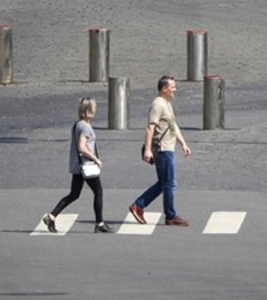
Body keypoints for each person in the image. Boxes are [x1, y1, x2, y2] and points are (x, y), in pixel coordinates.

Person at [43, 97, 114, 233]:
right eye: (94, 108)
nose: (95, 110)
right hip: (86, 166)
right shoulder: (85, 127)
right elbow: (82, 147)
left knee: (74, 194)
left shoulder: (77, 124)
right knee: (98, 192)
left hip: (77, 166)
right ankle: (99, 224)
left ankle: (51, 216)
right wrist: (96, 159)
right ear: (89, 110)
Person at [129, 75, 191, 226]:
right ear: (164, 89)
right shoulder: (158, 105)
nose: (175, 89)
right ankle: (170, 216)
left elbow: (172, 125)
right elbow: (150, 127)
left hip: (168, 147)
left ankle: (138, 205)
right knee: (169, 183)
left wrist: (183, 143)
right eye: (172, 87)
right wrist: (148, 150)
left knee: (163, 183)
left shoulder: (167, 103)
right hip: (163, 149)